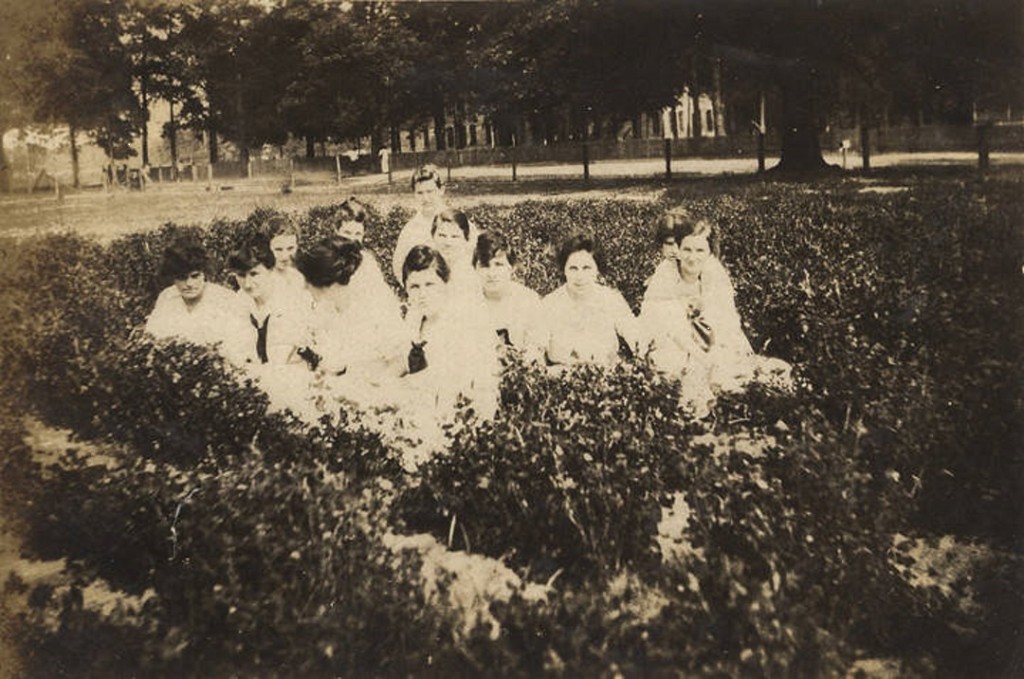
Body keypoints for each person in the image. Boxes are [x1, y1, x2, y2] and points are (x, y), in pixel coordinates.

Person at [639, 211, 792, 399]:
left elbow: (724, 315)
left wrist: (712, 347)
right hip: (676, 336)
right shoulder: (666, 272)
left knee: (727, 367)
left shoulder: (712, 270)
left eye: (699, 250)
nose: (690, 256)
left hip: (711, 334)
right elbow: (665, 321)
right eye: (685, 249)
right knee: (672, 367)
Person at [399, 245, 500, 422]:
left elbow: (471, 381)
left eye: (430, 284)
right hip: (424, 409)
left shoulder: (464, 321)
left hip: (462, 413)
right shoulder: (414, 321)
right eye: (415, 287)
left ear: (445, 284)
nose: (422, 294)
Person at [296, 238, 407, 394]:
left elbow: (400, 360)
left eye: (308, 282)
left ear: (325, 283)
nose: (305, 288)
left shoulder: (375, 307)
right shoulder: (324, 309)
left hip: (372, 394)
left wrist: (373, 389)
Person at [144, 237, 254, 366]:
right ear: (173, 277)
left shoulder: (226, 300)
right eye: (182, 278)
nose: (189, 284)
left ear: (204, 273)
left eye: (195, 276)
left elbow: (242, 347)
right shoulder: (167, 298)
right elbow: (153, 339)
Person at [539, 234, 640, 367]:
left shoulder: (610, 299)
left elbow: (635, 335)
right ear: (564, 270)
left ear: (597, 269)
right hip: (560, 377)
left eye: (587, 268)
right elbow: (536, 347)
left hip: (607, 377)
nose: (580, 276)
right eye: (573, 268)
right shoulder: (550, 304)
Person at [226, 239, 313, 367]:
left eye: (254, 274)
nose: (247, 284)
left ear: (270, 270)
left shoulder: (291, 301)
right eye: (241, 275)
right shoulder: (240, 300)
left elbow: (283, 359)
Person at [472, 231, 545, 358]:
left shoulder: (528, 300)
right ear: (475, 269)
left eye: (498, 265)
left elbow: (537, 344)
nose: (491, 273)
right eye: (485, 266)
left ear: (511, 268)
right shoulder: (467, 303)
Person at [391, 165, 449, 282]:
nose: (426, 198)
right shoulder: (410, 230)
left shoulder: (457, 222)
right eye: (420, 193)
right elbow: (399, 267)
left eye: (430, 191)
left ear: (441, 190)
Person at [335, 196, 391, 296]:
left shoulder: (367, 262)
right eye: (347, 233)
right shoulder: (325, 259)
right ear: (337, 231)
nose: (352, 240)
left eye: (357, 234)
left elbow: (382, 294)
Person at [430, 209, 484, 304]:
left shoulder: (471, 278)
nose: (448, 243)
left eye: (455, 237)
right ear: (433, 236)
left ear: (465, 240)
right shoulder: (426, 271)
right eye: (442, 235)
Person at [266, 215, 307, 295]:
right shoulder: (263, 282)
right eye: (278, 249)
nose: (285, 256)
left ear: (297, 246)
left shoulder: (301, 278)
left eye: (290, 248)